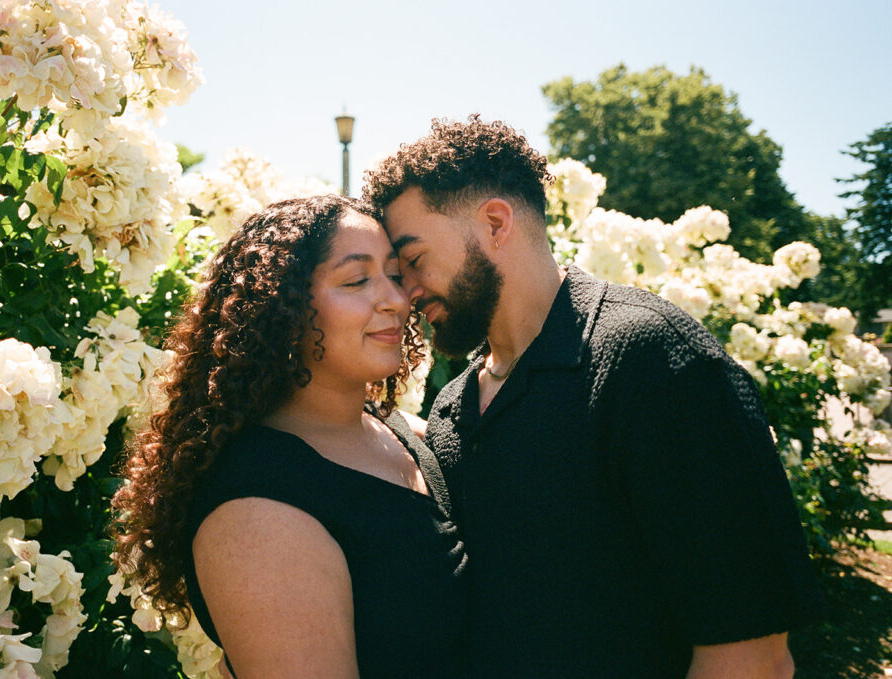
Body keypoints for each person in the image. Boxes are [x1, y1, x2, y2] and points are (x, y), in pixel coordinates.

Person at [362, 115, 823, 679]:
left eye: (412, 261)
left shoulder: (655, 362)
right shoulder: (453, 410)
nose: (405, 293)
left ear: (495, 224)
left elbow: (753, 658)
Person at [111, 195, 467, 678]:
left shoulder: (403, 433)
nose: (397, 299)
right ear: (282, 308)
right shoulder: (258, 512)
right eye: (357, 279)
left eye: (394, 275)